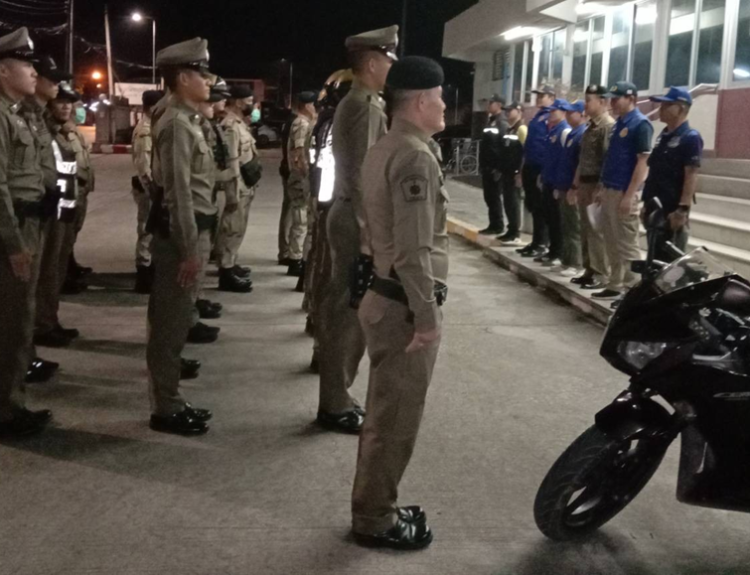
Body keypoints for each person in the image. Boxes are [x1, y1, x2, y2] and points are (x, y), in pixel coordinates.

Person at [352, 55, 448, 551]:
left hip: (385, 294)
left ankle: (376, 505)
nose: (445, 107)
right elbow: (414, 251)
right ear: (422, 101)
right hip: (402, 308)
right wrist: (427, 318)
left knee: (384, 414)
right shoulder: (414, 156)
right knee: (394, 422)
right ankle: (375, 518)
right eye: (441, 98)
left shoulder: (386, 146)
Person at [316, 25, 398, 434]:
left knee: (346, 310)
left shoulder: (363, 102)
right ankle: (334, 402)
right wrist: (371, 235)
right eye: (388, 60)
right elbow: (365, 176)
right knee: (349, 317)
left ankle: (338, 396)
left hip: (349, 214)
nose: (392, 68)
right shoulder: (364, 106)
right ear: (371, 63)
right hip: (356, 219)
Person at [146, 37, 216, 435]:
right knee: (170, 325)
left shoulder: (187, 120)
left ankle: (170, 399)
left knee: (175, 322)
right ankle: (166, 407)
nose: (208, 80)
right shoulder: (176, 123)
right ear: (184, 77)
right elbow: (179, 194)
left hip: (193, 233)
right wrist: (189, 249)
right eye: (201, 73)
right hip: (181, 239)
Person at [0, 27, 54, 437]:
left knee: (20, 319)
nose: (34, 72)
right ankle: (6, 410)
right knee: (12, 322)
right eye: (26, 64)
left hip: (28, 224)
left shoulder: (18, 113)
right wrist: (15, 243)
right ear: (3, 70)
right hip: (12, 232)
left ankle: (11, 401)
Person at [305, 69, 354, 373]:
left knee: (322, 271)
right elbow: (331, 171)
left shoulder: (326, 121)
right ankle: (322, 349)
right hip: (332, 204)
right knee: (332, 280)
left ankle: (315, 323)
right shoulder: (337, 124)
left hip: (325, 204)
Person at [592, 81, 653, 303]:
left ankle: (632, 292)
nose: (613, 102)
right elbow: (611, 159)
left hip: (624, 191)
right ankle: (615, 284)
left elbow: (642, 163)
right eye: (612, 98)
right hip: (610, 188)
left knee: (627, 244)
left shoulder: (640, 124)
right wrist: (602, 187)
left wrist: (629, 195)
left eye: (617, 99)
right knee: (611, 240)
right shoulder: (618, 124)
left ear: (632, 99)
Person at [34, 81, 82, 353]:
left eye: (69, 102)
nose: (66, 107)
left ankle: (50, 320)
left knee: (57, 269)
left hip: (65, 209)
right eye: (61, 101)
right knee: (47, 271)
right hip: (51, 211)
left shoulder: (62, 132)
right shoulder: (44, 129)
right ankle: (42, 325)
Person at [642, 86, 703, 262]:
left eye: (667, 105)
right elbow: (654, 171)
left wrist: (682, 209)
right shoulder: (663, 136)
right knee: (653, 258)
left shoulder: (690, 137)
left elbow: (691, 175)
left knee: (670, 262)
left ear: (681, 109)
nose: (661, 109)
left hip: (672, 209)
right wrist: (646, 203)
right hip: (655, 206)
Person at [571, 84, 615, 290]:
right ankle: (589, 268)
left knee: (597, 230)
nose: (585, 104)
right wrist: (576, 184)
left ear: (602, 101)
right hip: (585, 183)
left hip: (596, 183)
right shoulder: (590, 127)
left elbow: (607, 159)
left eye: (589, 100)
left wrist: (600, 186)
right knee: (586, 228)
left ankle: (600, 273)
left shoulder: (607, 126)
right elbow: (582, 159)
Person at [216, 84, 257, 293]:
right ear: (239, 102)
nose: (252, 105)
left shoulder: (240, 124)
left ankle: (231, 263)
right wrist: (233, 191)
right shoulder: (231, 126)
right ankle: (226, 271)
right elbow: (231, 160)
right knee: (231, 228)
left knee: (238, 227)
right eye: (249, 101)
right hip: (237, 185)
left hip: (245, 184)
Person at [131, 89, 164, 294]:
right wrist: (152, 189)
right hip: (148, 188)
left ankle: (149, 268)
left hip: (153, 187)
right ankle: (143, 273)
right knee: (146, 229)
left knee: (153, 230)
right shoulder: (145, 131)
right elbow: (143, 166)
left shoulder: (153, 126)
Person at [517, 85, 555, 259]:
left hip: (540, 167)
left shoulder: (551, 116)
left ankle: (542, 243)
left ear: (551, 97)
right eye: (538, 95)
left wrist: (544, 170)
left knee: (540, 207)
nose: (539, 98)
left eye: (542, 95)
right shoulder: (538, 116)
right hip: (530, 165)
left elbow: (548, 145)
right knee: (532, 205)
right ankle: (536, 241)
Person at [286, 91, 318, 278]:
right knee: (301, 219)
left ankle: (295, 256)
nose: (315, 108)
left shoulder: (303, 122)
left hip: (299, 176)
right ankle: (295, 259)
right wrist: (305, 173)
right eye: (313, 104)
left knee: (301, 218)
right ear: (307, 105)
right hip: (299, 177)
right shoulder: (302, 123)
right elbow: (299, 152)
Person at [536, 99, 571, 268]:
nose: (550, 114)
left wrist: (559, 184)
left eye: (554, 111)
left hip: (556, 183)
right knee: (549, 217)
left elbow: (564, 160)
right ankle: (552, 250)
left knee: (557, 220)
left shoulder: (564, 131)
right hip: (548, 180)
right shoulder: (553, 130)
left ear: (563, 112)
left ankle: (558, 253)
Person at [554, 100, 586, 277]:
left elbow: (579, 164)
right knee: (566, 225)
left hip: (572, 188)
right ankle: (566, 260)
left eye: (571, 112)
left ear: (581, 114)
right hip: (564, 185)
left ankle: (576, 263)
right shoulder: (572, 134)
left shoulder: (582, 134)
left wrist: (574, 187)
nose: (567, 115)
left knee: (574, 226)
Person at [477, 94, 508, 235]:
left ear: (499, 105)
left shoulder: (502, 122)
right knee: (489, 197)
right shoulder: (491, 121)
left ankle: (498, 226)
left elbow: (503, 147)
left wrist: (499, 168)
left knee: (494, 197)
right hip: (487, 166)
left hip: (495, 168)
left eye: (491, 102)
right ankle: (493, 224)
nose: (488, 105)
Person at [498, 101, 527, 245]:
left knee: (514, 202)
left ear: (519, 111)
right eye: (506, 110)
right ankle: (510, 230)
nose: (507, 112)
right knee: (508, 202)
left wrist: (520, 173)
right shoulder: (510, 129)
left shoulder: (521, 129)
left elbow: (525, 153)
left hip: (515, 173)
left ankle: (515, 233)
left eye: (510, 110)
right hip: (506, 172)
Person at [277, 108, 296, 266]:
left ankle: (284, 250)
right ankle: (285, 251)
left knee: (288, 209)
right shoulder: (296, 122)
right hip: (291, 172)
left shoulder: (290, 121)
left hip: (287, 170)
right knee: (290, 210)